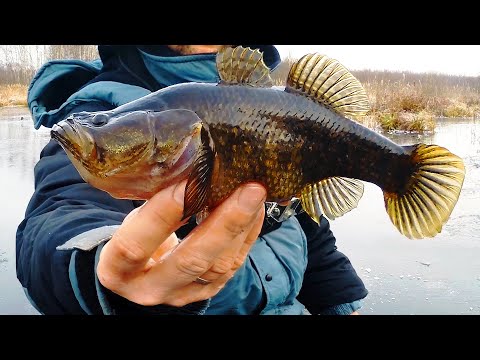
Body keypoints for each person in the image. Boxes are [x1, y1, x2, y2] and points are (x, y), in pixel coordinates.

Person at [16, 45, 368, 315]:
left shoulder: (275, 104)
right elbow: (61, 213)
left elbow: (308, 229)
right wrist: (103, 273)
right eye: (102, 126)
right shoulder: (101, 104)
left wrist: (342, 301)